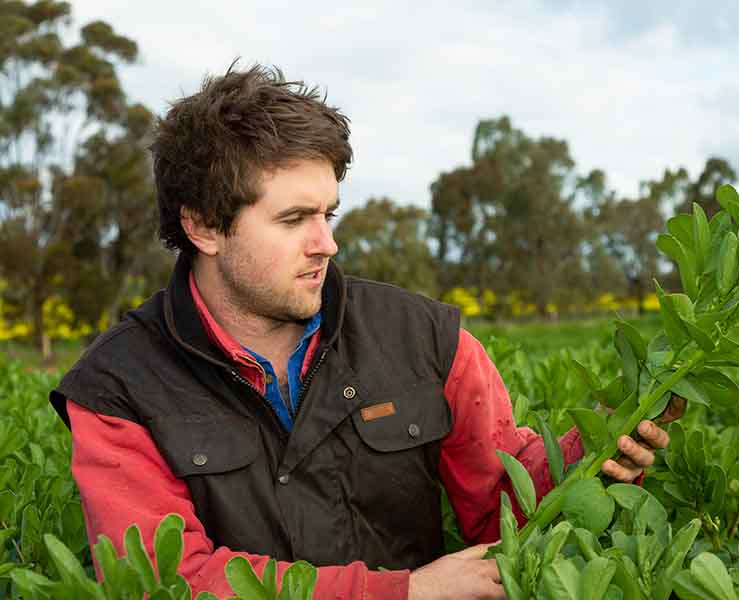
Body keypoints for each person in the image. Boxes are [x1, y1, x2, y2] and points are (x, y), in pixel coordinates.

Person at [49, 64, 683, 600]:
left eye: (328, 213)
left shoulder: (427, 338)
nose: (326, 243)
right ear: (204, 227)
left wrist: (597, 449)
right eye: (294, 218)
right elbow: (167, 582)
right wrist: (406, 592)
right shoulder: (118, 387)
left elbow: (499, 497)